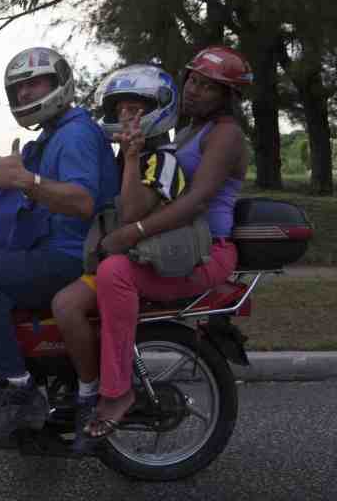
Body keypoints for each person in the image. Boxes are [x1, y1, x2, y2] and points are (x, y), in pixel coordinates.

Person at [70, 46, 252, 447]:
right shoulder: (187, 132)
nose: (195, 90)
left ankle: (117, 392)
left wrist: (132, 232)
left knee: (115, 274)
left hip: (206, 251)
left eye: (209, 87)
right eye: (193, 80)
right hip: (169, 245)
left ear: (229, 96)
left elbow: (196, 201)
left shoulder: (225, 134)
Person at [0, 46, 119, 442]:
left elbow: (82, 201)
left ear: (59, 83)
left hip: (73, 254)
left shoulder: (75, 134)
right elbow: (10, 191)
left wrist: (26, 180)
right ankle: (30, 374)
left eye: (34, 83)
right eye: (18, 88)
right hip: (52, 247)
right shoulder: (52, 135)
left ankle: (19, 392)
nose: (24, 93)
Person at [50, 64, 186, 451]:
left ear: (159, 109)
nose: (126, 116)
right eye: (121, 109)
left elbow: (131, 212)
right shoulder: (124, 156)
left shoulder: (163, 160)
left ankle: (90, 394)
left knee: (65, 306)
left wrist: (131, 157)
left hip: (138, 263)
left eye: (136, 109)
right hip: (110, 257)